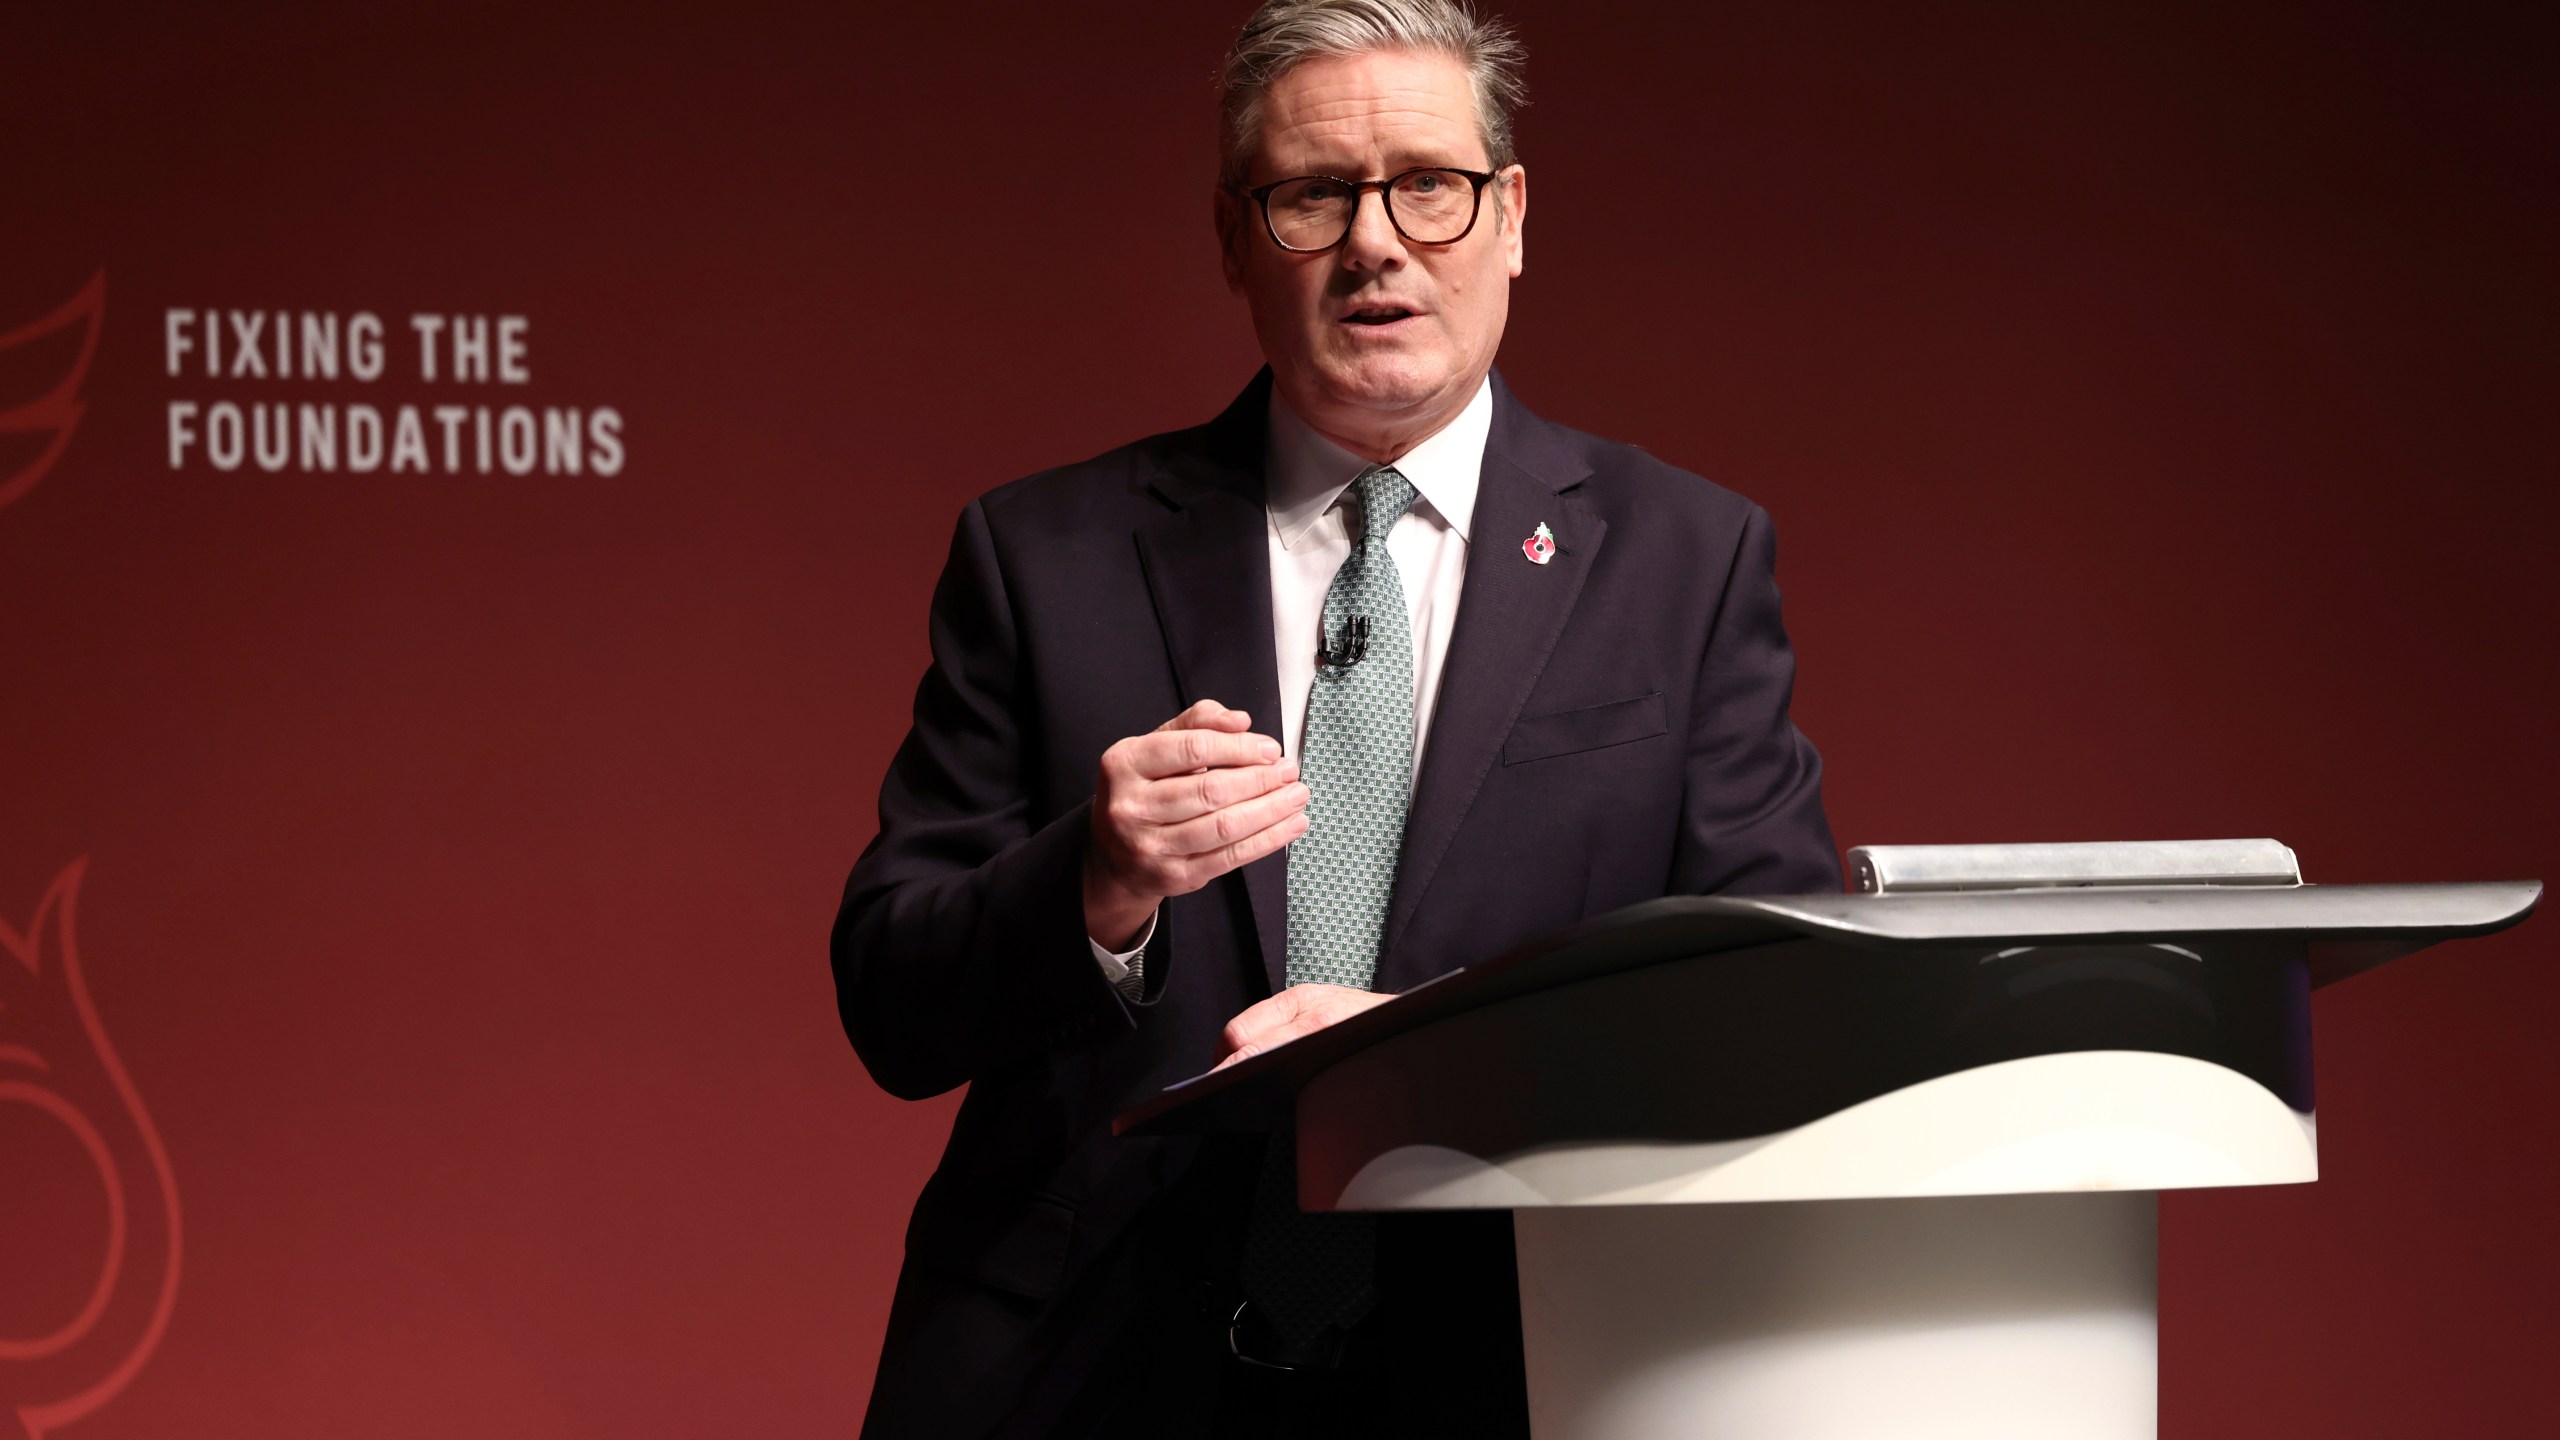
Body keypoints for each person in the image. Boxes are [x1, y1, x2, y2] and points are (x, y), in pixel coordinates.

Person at [831, 1, 1838, 1434]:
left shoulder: (1686, 560)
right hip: (1091, 1377)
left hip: (1516, 1365)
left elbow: (1773, 1012)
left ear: (1514, 218)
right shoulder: (1045, 556)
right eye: (1314, 194)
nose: (1377, 241)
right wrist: (1095, 883)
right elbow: (891, 998)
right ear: (1236, 239)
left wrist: (1444, 1052)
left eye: (1430, 184)